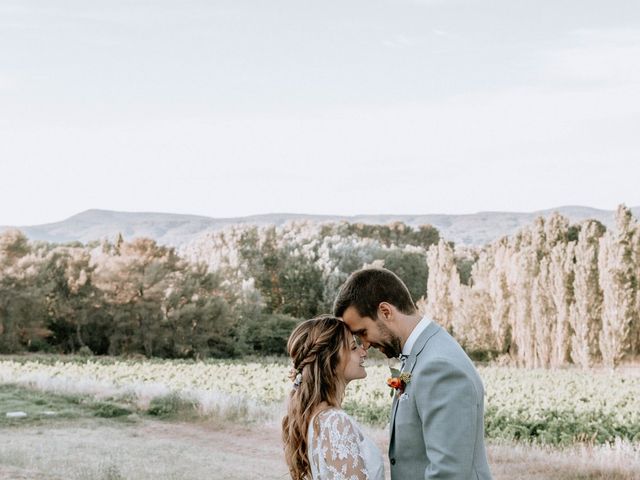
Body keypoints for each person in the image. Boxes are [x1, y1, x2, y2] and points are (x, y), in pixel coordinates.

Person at [334, 268, 493, 480]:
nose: (365, 344)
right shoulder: (421, 354)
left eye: (363, 332)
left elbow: (449, 473)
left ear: (386, 312)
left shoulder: (439, 366)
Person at [282, 315, 386, 480]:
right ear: (330, 360)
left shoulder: (318, 417)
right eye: (353, 347)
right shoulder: (334, 421)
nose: (363, 351)